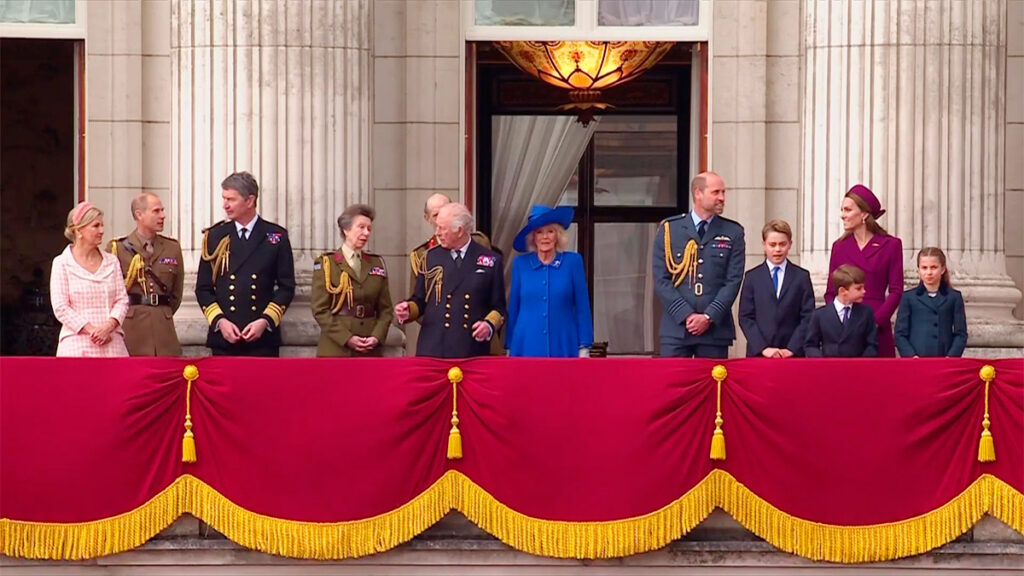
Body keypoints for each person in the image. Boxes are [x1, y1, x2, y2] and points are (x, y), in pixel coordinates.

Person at [195, 171, 296, 357]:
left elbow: (286, 287)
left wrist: (265, 321)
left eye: (231, 199)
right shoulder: (215, 237)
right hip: (224, 337)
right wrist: (220, 321)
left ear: (250, 201)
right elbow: (203, 288)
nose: (225, 205)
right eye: (224, 198)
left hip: (262, 338)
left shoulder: (275, 236)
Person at [652, 171, 745, 358]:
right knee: (674, 385)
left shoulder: (733, 231)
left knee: (713, 386)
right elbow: (661, 279)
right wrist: (686, 315)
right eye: (716, 192)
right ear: (698, 193)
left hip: (715, 330)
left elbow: (733, 281)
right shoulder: (670, 229)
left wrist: (708, 316)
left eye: (723, 192)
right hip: (676, 328)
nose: (721, 198)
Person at [394, 202, 506, 358]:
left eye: (442, 228)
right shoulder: (430, 257)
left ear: (459, 231)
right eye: (436, 227)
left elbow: (499, 308)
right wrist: (407, 310)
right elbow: (419, 300)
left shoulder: (490, 260)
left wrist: (488, 325)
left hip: (471, 348)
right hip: (433, 347)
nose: (437, 233)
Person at [825, 184, 903, 357]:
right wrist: (838, 320)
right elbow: (830, 292)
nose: (842, 215)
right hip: (845, 328)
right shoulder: (839, 247)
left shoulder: (891, 245)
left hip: (876, 324)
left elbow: (896, 291)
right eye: (842, 209)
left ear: (864, 214)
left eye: (847, 210)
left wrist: (875, 322)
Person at [506, 205, 593, 357]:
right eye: (539, 232)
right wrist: (510, 345)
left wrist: (584, 345)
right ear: (533, 237)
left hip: (564, 342)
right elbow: (514, 308)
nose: (545, 237)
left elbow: (582, 307)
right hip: (526, 343)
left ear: (557, 235)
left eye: (550, 232)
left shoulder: (573, 262)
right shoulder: (521, 264)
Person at [311, 204, 395, 357]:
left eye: (369, 229)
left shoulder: (377, 263)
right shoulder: (327, 263)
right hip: (336, 349)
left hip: (370, 348)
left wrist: (376, 336)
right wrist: (346, 338)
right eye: (361, 227)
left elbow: (386, 310)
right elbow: (320, 310)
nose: (366, 233)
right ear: (346, 229)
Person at [49, 201, 129, 357]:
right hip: (76, 344)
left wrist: (107, 327)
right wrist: (92, 330)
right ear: (79, 230)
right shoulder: (62, 263)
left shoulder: (111, 261)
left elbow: (122, 300)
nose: (102, 231)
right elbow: (61, 306)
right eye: (96, 226)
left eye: (102, 225)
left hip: (111, 343)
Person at [108, 193, 184, 356]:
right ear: (139, 215)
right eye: (156, 211)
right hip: (132, 331)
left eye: (162, 210)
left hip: (164, 333)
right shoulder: (118, 249)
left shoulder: (172, 248)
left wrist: (161, 313)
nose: (162, 216)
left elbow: (176, 294)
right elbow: (109, 293)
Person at [738, 219, 815, 358]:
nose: (777, 249)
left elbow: (808, 316)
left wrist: (791, 348)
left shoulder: (801, 277)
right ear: (764, 245)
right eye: (772, 245)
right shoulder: (752, 277)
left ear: (790, 244)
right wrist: (763, 348)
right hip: (759, 355)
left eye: (782, 244)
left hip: (792, 355)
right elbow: (746, 317)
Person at [894, 247, 968, 357]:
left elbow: (960, 333)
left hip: (944, 359)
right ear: (918, 270)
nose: (929, 272)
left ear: (942, 269)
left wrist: (951, 357)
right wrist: (911, 355)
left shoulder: (954, 297)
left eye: (934, 267)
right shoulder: (909, 297)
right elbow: (900, 333)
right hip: (916, 360)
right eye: (924, 268)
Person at [805, 264, 878, 357]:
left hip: (857, 368)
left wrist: (862, 364)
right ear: (843, 291)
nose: (864, 291)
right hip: (829, 367)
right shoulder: (820, 315)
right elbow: (810, 345)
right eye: (858, 288)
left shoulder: (866, 313)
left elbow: (872, 344)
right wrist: (822, 363)